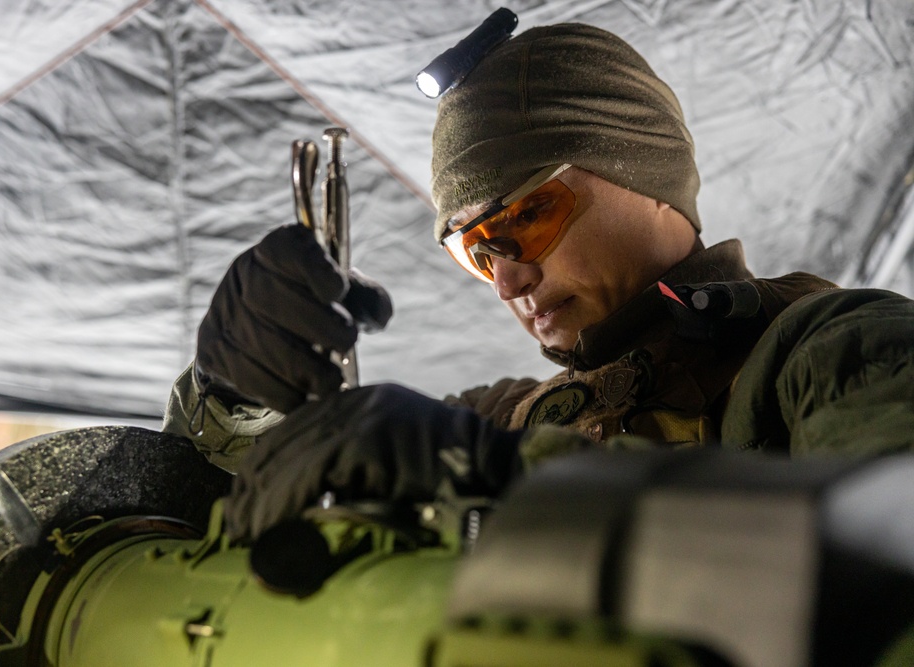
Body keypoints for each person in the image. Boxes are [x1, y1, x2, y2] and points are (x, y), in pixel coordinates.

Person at [163, 23, 914, 542]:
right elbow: (219, 532)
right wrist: (237, 394)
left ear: (643, 175)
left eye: (523, 219)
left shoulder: (829, 350)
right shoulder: (501, 418)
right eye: (477, 254)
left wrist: (505, 482)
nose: (506, 279)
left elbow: (880, 557)